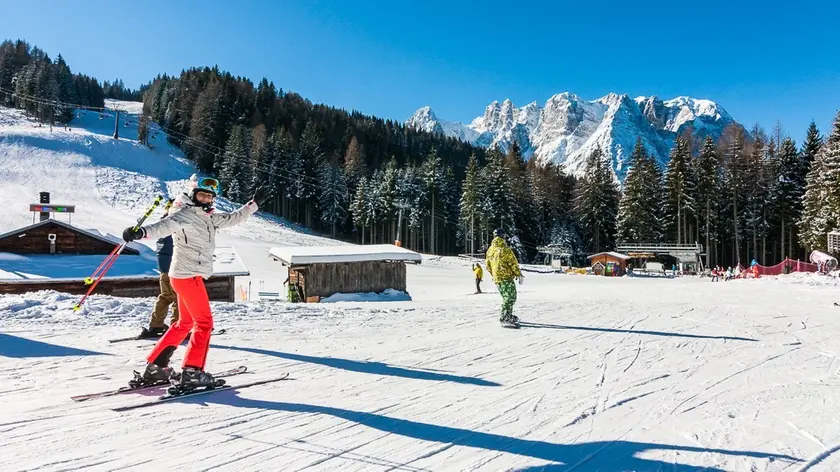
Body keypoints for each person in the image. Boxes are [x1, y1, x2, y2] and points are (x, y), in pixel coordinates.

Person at [121, 175, 264, 390]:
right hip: (187, 276)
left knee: (184, 323)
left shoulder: (208, 217)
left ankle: (156, 367)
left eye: (209, 196)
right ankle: (193, 371)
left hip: (187, 276)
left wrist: (253, 205)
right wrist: (141, 232)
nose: (205, 198)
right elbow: (162, 227)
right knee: (204, 323)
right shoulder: (183, 214)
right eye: (202, 194)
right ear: (193, 194)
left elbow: (233, 218)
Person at [138, 205, 179, 339]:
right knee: (179, 297)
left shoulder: (162, 224)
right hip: (176, 265)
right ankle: (177, 327)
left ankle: (156, 325)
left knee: (165, 296)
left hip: (164, 266)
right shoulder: (175, 223)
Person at [485, 228, 523, 325]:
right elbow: (512, 263)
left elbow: (487, 266)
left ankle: (507, 315)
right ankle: (505, 317)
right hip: (506, 277)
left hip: (497, 279)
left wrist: (495, 274)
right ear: (503, 236)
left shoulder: (490, 250)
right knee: (510, 297)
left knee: (506, 297)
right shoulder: (505, 249)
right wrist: (518, 274)